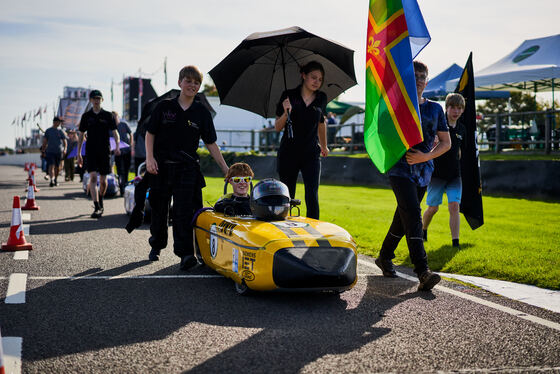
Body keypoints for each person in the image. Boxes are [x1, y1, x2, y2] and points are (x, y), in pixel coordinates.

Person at [375, 61, 451, 291]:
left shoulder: (435, 109)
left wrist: (425, 157)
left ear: (427, 81)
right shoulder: (396, 106)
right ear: (407, 80)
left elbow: (446, 143)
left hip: (423, 172)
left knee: (403, 217)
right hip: (399, 169)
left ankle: (384, 256)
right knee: (414, 215)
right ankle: (422, 271)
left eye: (422, 76)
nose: (418, 80)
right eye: (414, 76)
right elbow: (382, 134)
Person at [145, 65, 229, 268]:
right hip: (161, 167)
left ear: (199, 86)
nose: (192, 85)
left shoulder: (202, 112)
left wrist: (226, 169)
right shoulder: (164, 107)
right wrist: (149, 158)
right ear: (179, 82)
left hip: (187, 168)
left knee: (184, 212)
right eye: (188, 81)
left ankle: (185, 255)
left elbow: (210, 143)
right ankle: (156, 243)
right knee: (159, 210)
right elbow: (150, 133)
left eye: (196, 82)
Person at [274, 60, 329, 220]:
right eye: (313, 77)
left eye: (320, 79)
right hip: (288, 153)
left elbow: (321, 123)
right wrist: (286, 112)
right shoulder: (288, 95)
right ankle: (285, 230)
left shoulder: (321, 98)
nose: (317, 82)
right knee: (287, 196)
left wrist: (324, 146)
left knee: (312, 194)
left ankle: (314, 232)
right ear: (303, 75)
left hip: (311, 153)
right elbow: (277, 127)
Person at [422, 93, 466, 248]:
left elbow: (461, 152)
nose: (456, 111)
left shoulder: (462, 129)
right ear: (446, 108)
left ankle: (455, 243)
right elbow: (430, 147)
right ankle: (423, 229)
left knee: (454, 206)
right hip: (436, 175)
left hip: (455, 175)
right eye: (453, 107)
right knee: (433, 208)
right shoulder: (439, 125)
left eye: (459, 108)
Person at [77, 90, 121, 218]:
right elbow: (81, 135)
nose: (96, 100)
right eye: (94, 98)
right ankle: (96, 206)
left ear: (102, 100)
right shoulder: (86, 116)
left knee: (103, 181)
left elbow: (115, 132)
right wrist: (79, 153)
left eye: (98, 98)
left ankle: (101, 199)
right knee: (93, 178)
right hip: (90, 151)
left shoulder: (108, 115)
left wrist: (117, 146)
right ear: (90, 100)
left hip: (104, 151)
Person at [41, 116, 68, 187]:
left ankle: (55, 179)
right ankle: (52, 179)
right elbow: (45, 141)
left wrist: (65, 149)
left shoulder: (61, 131)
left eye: (60, 122)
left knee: (57, 167)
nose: (59, 123)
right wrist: (43, 150)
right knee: (51, 165)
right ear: (54, 122)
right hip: (50, 151)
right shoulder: (48, 131)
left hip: (58, 152)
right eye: (58, 122)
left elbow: (65, 141)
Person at [113, 111, 134, 195]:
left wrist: (131, 144)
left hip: (127, 151)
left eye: (115, 117)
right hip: (117, 152)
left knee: (126, 170)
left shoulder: (124, 124)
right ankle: (121, 187)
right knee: (120, 171)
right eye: (113, 117)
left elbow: (131, 133)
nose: (114, 118)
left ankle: (125, 185)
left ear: (118, 117)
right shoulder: (111, 127)